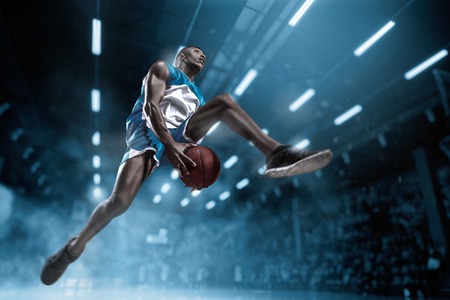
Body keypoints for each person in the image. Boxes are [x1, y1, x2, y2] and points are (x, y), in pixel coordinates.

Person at [40, 46, 333, 285]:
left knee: (225, 102)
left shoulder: (199, 97)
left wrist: (196, 172)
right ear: (181, 55)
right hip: (147, 132)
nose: (203, 55)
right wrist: (169, 144)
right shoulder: (164, 69)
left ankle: (276, 153)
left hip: (178, 136)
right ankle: (74, 247)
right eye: (196, 51)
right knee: (120, 203)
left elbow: (192, 141)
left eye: (204, 53)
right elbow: (151, 107)